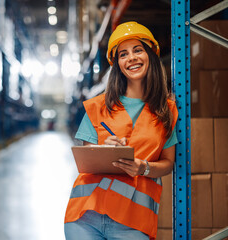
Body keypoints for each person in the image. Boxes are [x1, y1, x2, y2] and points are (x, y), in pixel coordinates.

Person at [64, 21, 178, 240]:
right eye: (123, 54)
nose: (132, 58)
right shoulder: (98, 106)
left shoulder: (167, 110)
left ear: (150, 56)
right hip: (85, 216)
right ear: (117, 64)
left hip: (133, 223)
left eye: (138, 50)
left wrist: (143, 168)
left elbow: (168, 163)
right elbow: (88, 158)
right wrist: (103, 150)